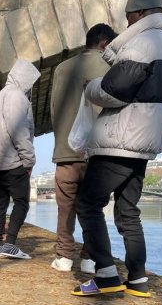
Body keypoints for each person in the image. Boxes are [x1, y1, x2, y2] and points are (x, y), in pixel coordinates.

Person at [73, 0, 162, 297]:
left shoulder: (143, 44)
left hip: (120, 139)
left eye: (128, 17)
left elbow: (113, 90)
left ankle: (106, 275)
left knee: (88, 203)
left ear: (138, 14)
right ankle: (137, 278)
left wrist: (91, 86)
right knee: (127, 212)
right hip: (145, 144)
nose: (126, 23)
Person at [49, 24, 117, 274]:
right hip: (98, 154)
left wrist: (61, 140)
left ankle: (64, 256)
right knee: (93, 209)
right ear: (104, 44)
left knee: (65, 207)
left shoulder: (61, 69)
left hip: (66, 152)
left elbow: (55, 109)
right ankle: (89, 258)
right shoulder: (112, 68)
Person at [0, 59, 39, 259]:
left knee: (1, 202)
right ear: (25, 78)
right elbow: (19, 131)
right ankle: (10, 244)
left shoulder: (1, 96)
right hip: (13, 160)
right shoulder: (16, 96)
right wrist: (29, 160)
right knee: (22, 202)